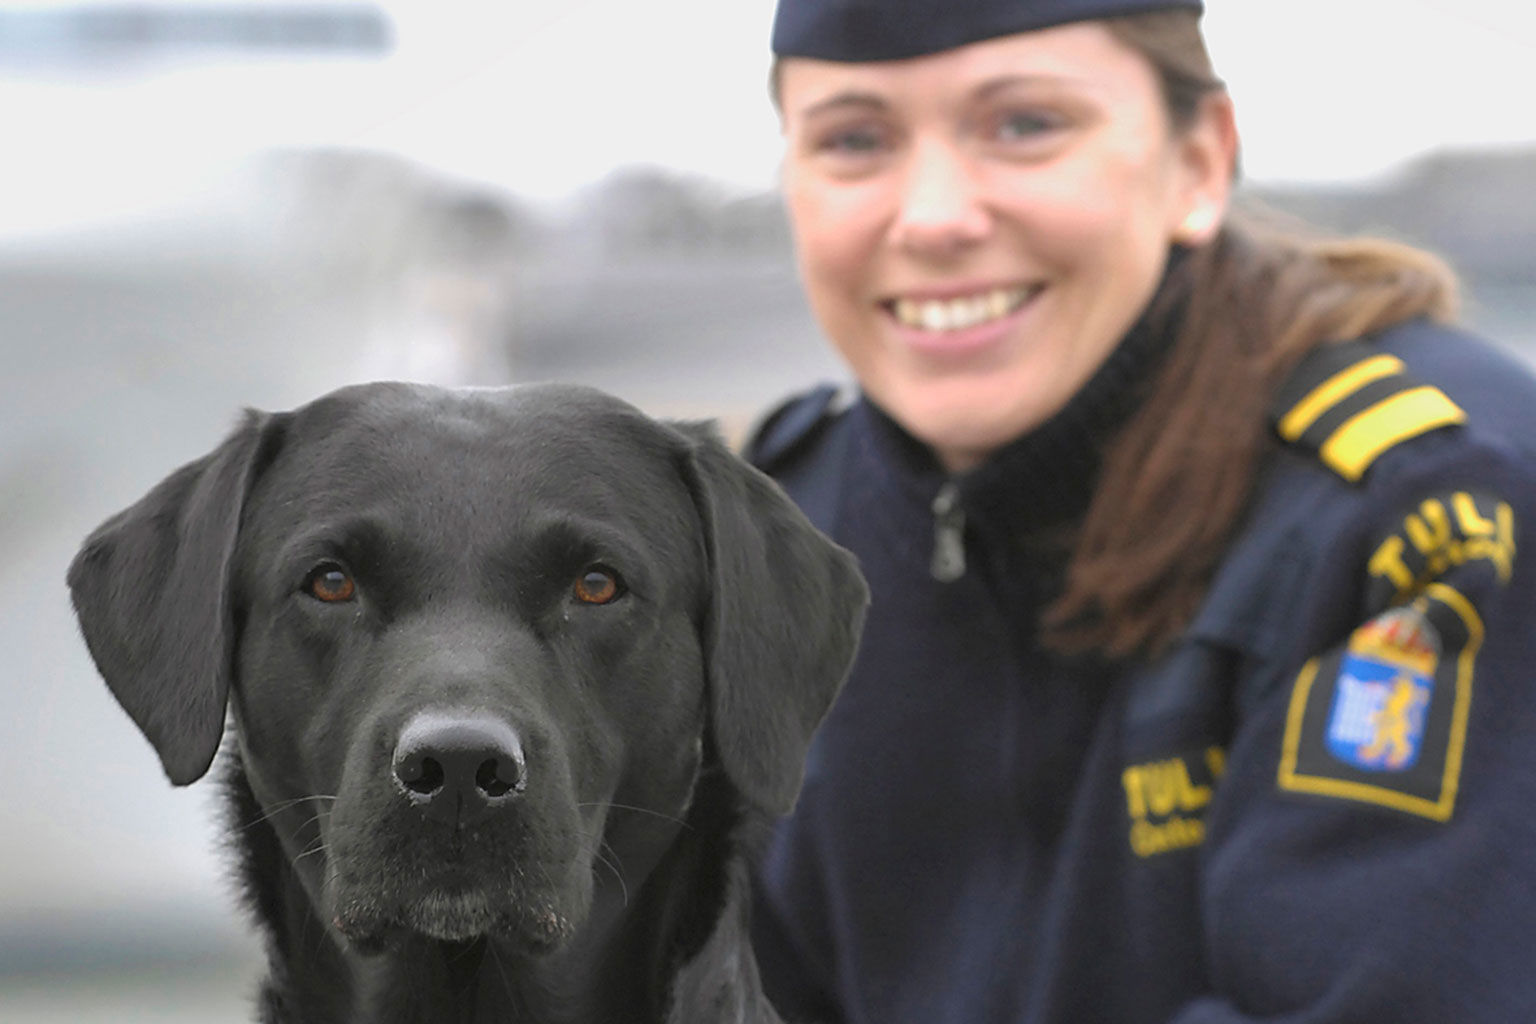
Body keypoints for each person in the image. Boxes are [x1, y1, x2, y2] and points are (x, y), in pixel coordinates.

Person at [743, 1, 1536, 1022]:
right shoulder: (786, 529)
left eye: (1025, 124)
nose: (934, 215)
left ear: (1200, 161)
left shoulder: (1426, 503)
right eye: (854, 141)